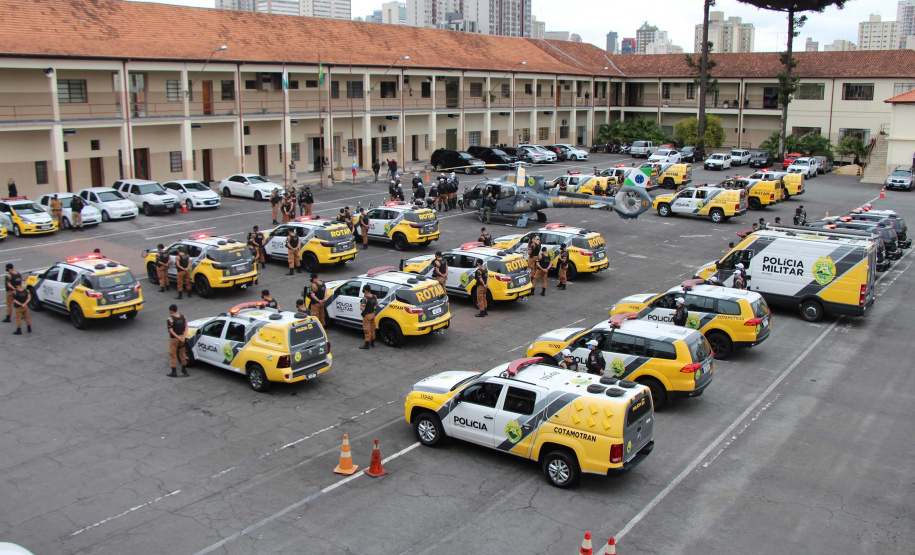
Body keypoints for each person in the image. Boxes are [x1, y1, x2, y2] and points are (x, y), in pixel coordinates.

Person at [166, 304, 188, 377]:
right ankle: (184, 369)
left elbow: (171, 330)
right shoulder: (183, 317)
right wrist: (183, 337)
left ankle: (174, 371)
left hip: (174, 339)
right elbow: (186, 327)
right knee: (182, 353)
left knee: (172, 354)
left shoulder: (170, 319)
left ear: (171, 310)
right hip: (182, 338)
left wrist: (178, 337)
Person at [359, 284, 377, 349]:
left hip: (367, 316)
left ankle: (366, 345)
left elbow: (362, 309)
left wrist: (361, 304)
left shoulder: (365, 299)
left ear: (366, 291)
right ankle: (372, 343)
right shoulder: (374, 296)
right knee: (373, 329)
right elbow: (376, 304)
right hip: (372, 314)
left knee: (367, 330)